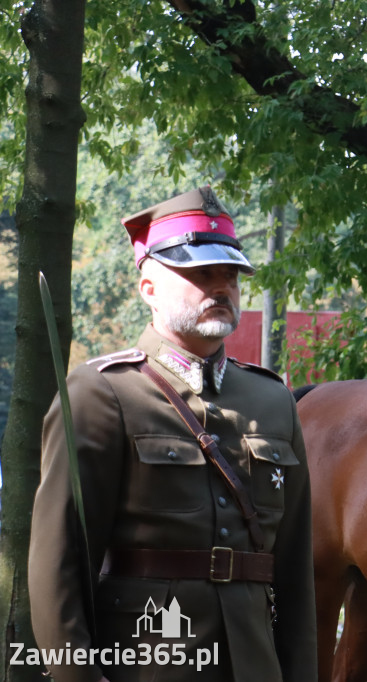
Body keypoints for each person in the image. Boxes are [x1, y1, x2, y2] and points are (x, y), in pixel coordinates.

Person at [28, 187, 317, 681]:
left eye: (230, 275)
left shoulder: (273, 401)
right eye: (198, 274)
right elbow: (59, 562)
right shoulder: (101, 395)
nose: (221, 287)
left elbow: (294, 569)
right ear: (149, 289)